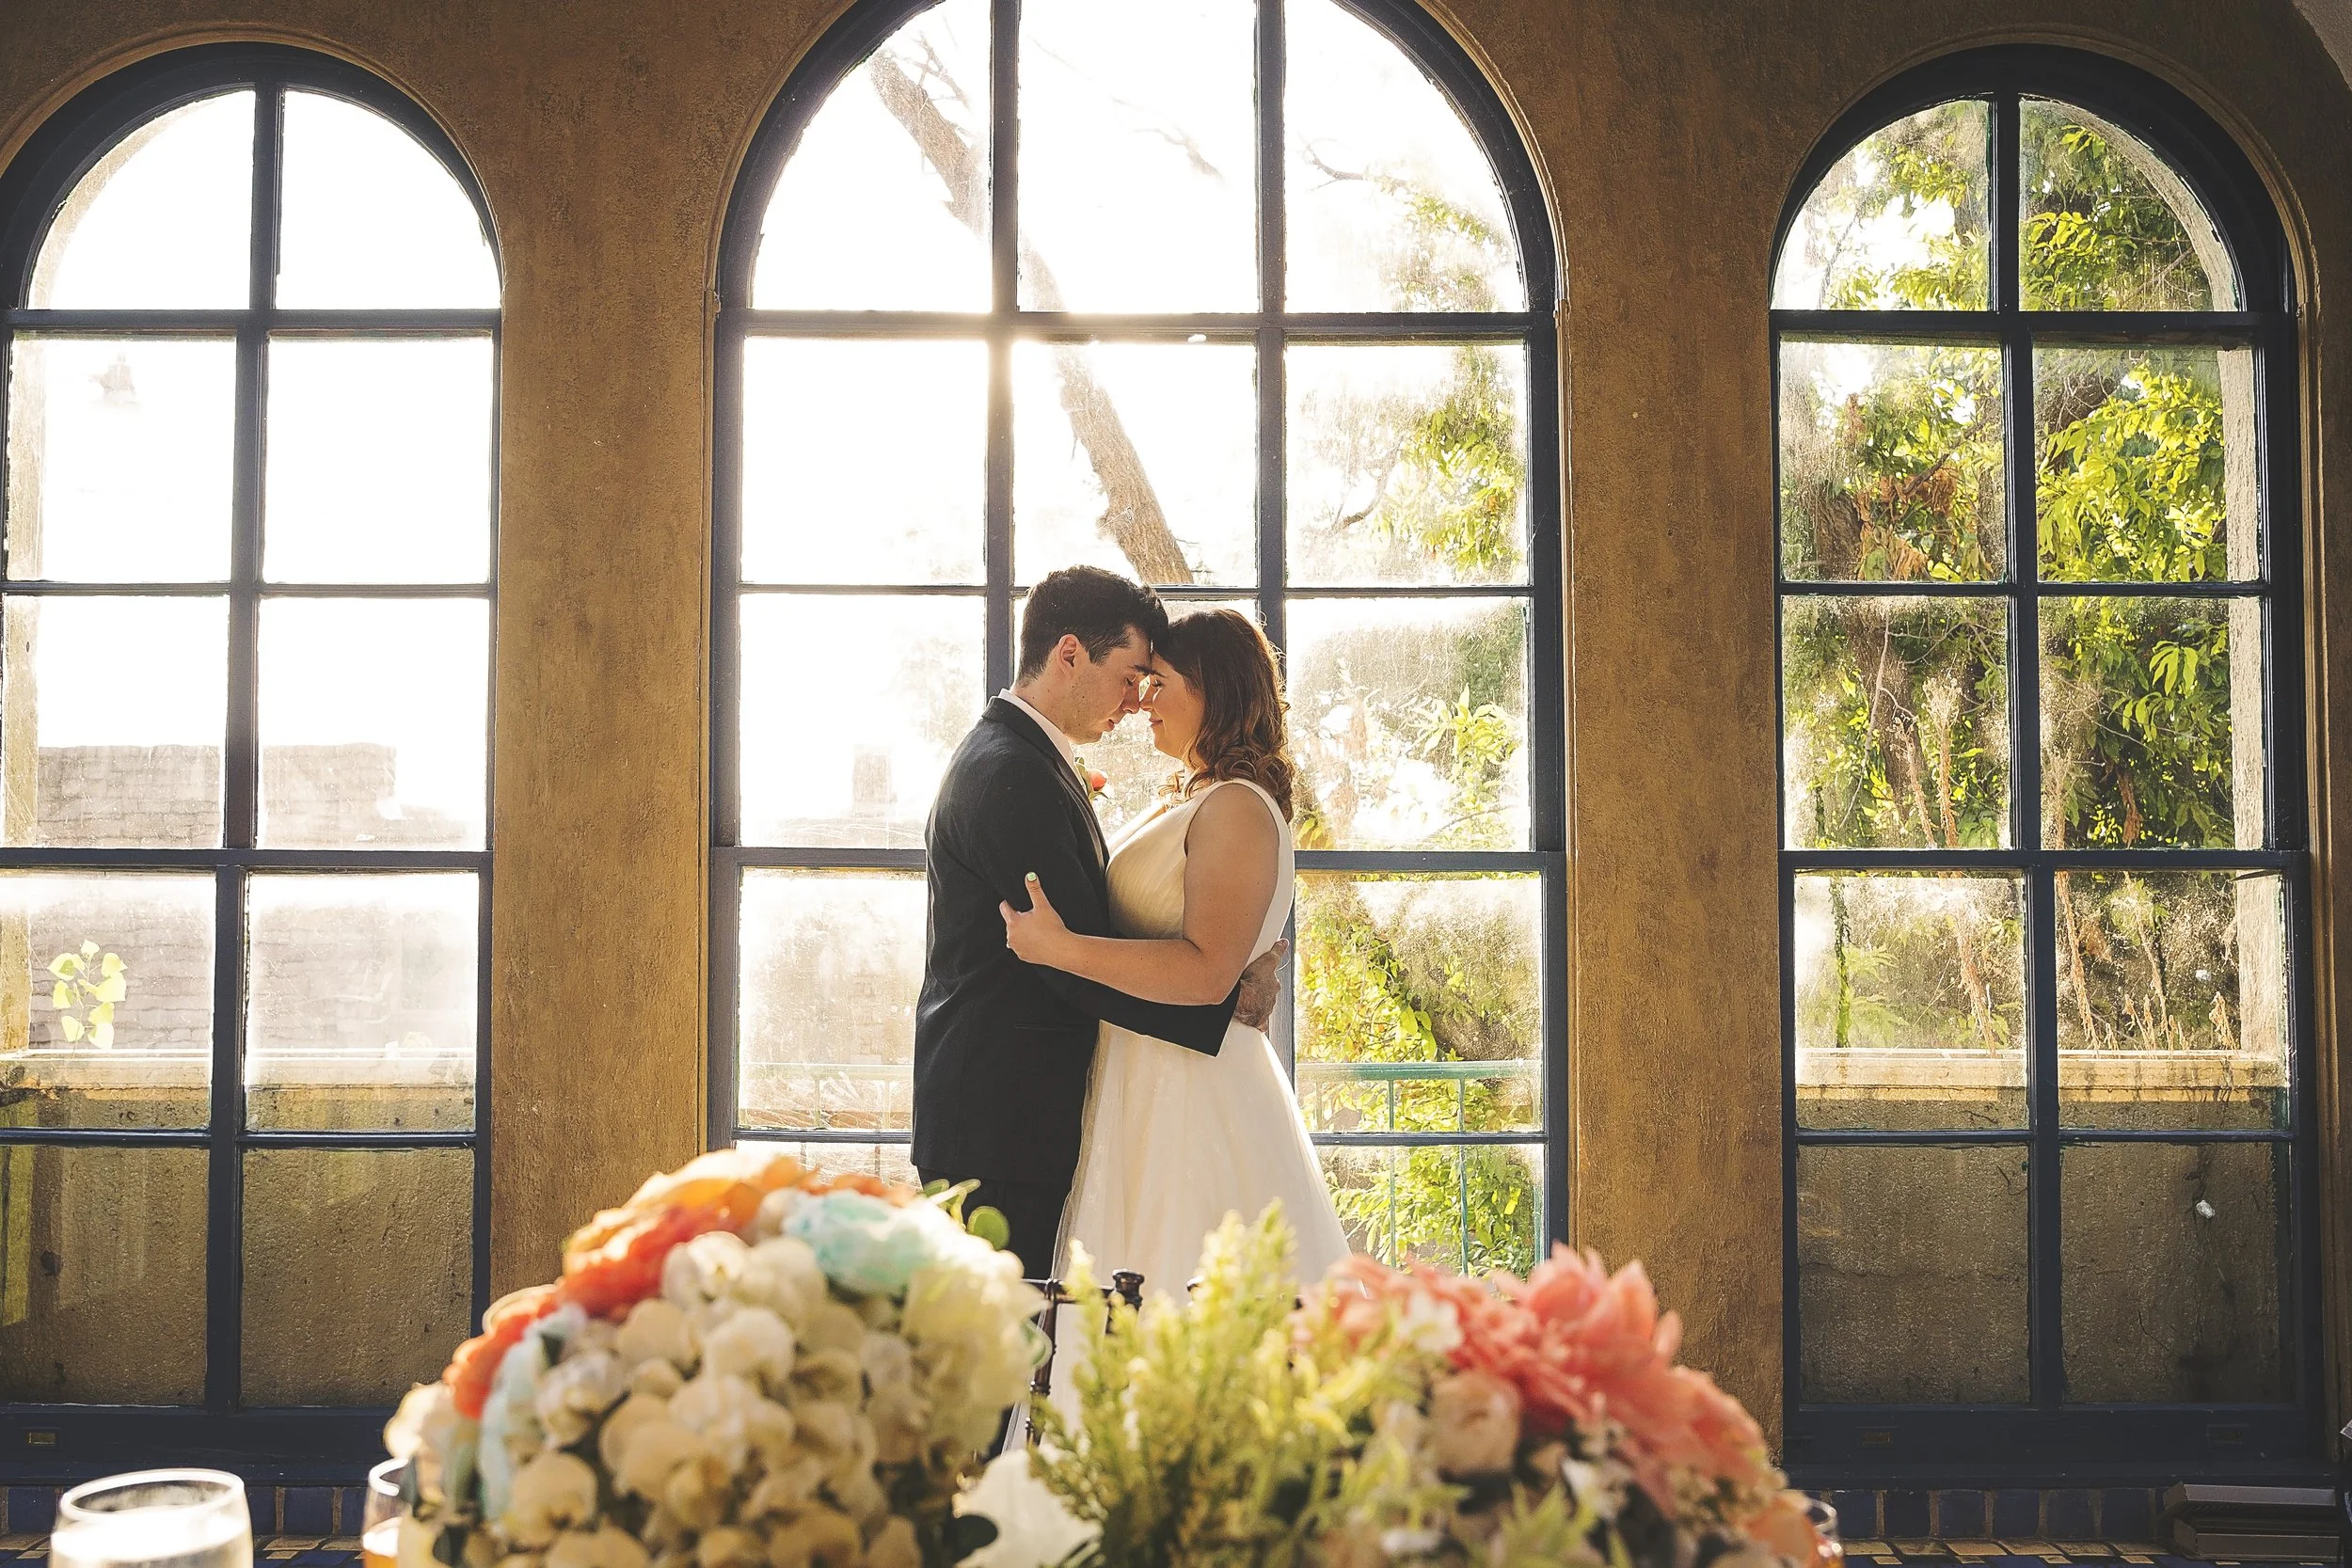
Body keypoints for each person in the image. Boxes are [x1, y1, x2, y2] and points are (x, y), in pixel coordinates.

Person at [911, 566, 1284, 1280]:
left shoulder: (1027, 759)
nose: (1136, 700)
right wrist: (1220, 994)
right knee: (990, 1362)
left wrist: (1213, 968)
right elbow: (1064, 959)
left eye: (1153, 681)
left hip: (1020, 1121)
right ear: (1071, 653)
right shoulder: (1009, 774)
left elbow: (1078, 942)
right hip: (1001, 1127)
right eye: (1130, 675)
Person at [1000, 606, 1349, 1311]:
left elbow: (1206, 972)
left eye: (1160, 682)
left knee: (1180, 1294)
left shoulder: (1238, 809)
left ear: (1213, 690)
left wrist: (1061, 949)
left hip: (1192, 1092)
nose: (1143, 701)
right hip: (1140, 1078)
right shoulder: (1194, 797)